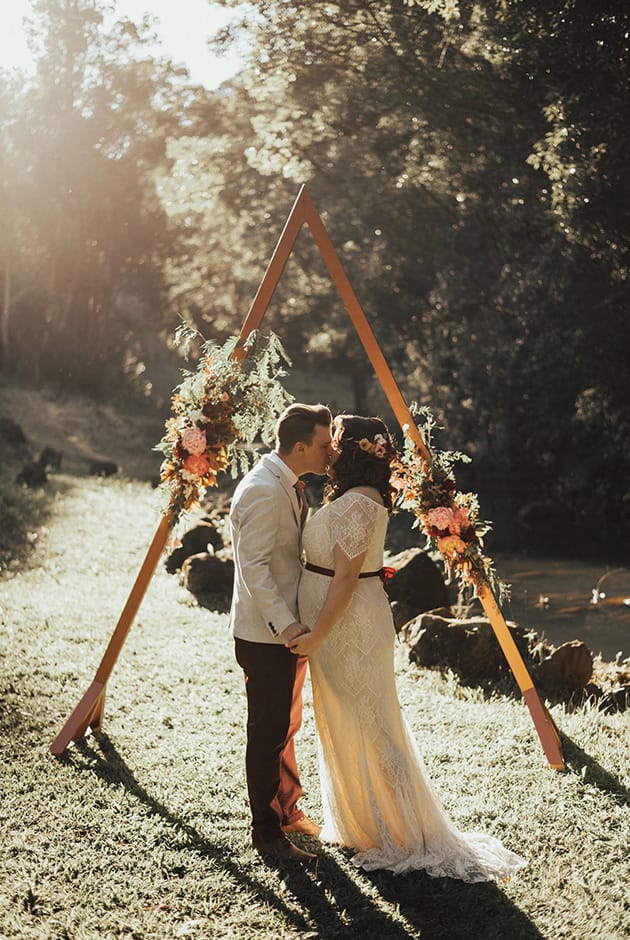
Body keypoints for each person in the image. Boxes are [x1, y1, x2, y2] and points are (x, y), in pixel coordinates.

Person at [288, 414, 527, 880]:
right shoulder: (349, 497)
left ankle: (401, 827)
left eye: (336, 441)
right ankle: (364, 820)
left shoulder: (360, 504)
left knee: (372, 719)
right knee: (345, 718)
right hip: (335, 627)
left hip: (348, 625)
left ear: (357, 450)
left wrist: (316, 633)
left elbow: (345, 579)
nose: (330, 450)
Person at [229, 402, 334, 863]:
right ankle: (267, 836)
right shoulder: (263, 490)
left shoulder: (288, 484)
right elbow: (251, 568)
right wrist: (286, 622)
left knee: (285, 727)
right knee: (268, 733)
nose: (331, 452)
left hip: (285, 635)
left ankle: (287, 811)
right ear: (299, 447)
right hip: (266, 635)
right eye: (325, 445)